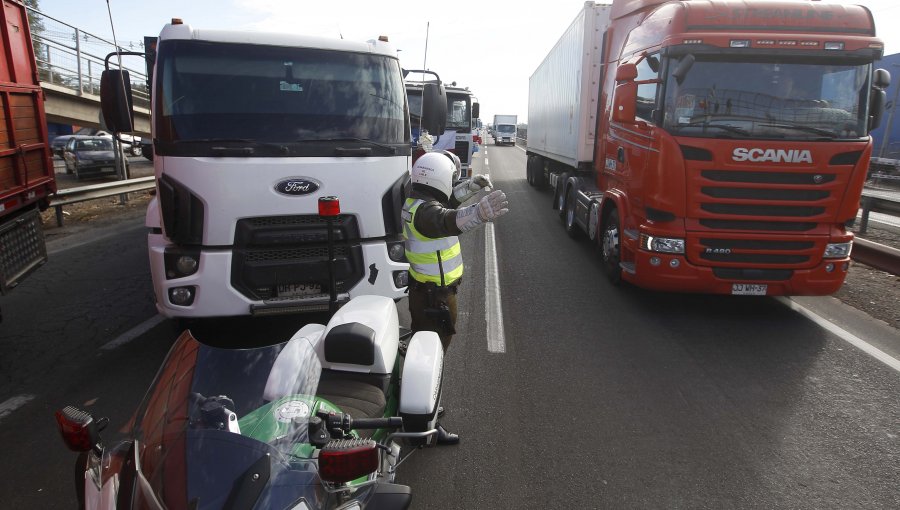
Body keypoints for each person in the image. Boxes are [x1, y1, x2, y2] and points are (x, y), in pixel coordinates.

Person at [402, 150, 509, 444]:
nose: (453, 184)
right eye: (450, 178)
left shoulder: (417, 202)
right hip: (435, 298)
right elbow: (448, 219)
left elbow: (448, 203)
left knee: (426, 354)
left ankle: (421, 408)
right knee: (432, 360)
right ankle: (425, 425)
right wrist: (478, 213)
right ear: (437, 178)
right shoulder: (427, 214)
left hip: (426, 293)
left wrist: (471, 188)